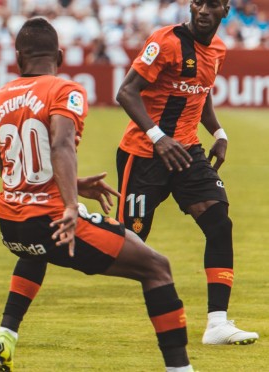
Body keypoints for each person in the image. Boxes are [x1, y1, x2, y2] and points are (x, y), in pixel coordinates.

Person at [0, 17, 194, 372]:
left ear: (18, 57)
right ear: (61, 56)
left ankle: (5, 334)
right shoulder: (66, 89)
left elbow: (10, 168)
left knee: (40, 249)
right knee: (157, 268)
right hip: (54, 220)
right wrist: (71, 204)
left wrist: (75, 184)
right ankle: (181, 370)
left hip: (11, 226)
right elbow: (61, 144)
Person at [115, 0, 258, 345]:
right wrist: (158, 137)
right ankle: (68, 234)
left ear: (226, 10)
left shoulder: (218, 50)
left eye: (213, 4)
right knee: (127, 243)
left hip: (187, 152)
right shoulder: (165, 42)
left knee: (219, 223)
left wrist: (219, 133)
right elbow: (126, 92)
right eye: (198, 2)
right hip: (145, 153)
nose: (204, 10)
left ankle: (217, 324)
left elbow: (201, 91)